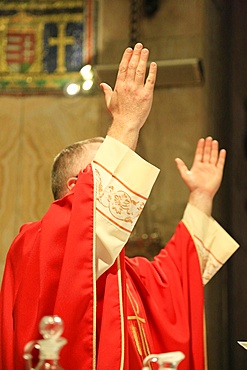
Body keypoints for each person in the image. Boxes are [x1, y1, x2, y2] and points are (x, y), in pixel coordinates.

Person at [0, 43, 239, 370]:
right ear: (75, 188)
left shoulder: (130, 272)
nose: (124, 180)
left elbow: (180, 276)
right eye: (111, 163)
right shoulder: (37, 245)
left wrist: (201, 196)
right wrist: (125, 124)